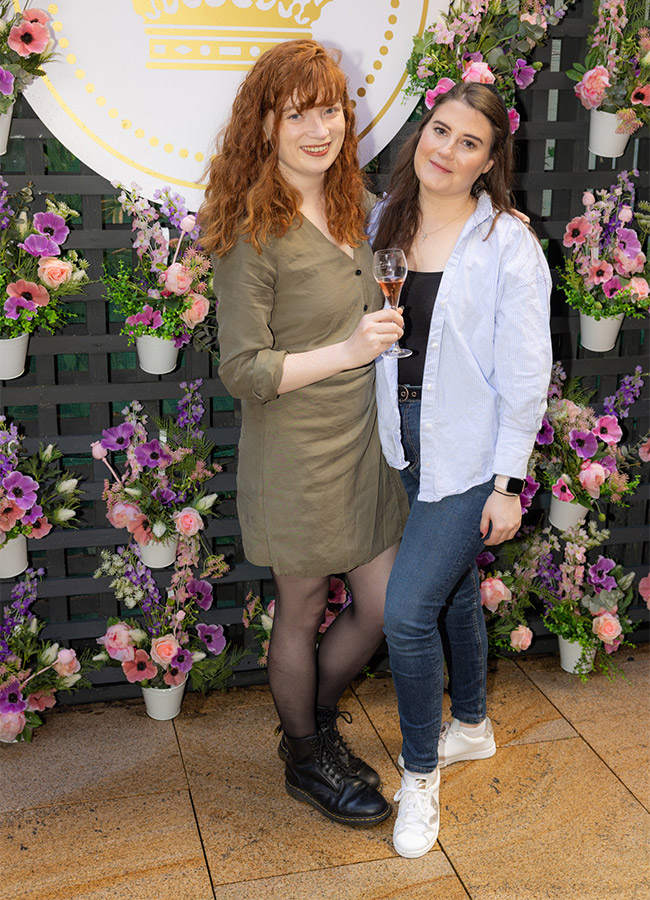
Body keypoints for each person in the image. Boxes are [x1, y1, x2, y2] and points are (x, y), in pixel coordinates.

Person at [200, 39, 409, 827]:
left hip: (367, 441)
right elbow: (246, 370)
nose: (319, 129)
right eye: (298, 114)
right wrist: (352, 349)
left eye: (330, 110)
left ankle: (307, 730)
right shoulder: (252, 233)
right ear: (265, 125)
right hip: (297, 449)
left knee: (384, 606)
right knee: (302, 605)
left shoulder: (351, 202)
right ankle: (309, 750)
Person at [370, 82, 553, 858]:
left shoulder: (507, 240)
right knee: (447, 597)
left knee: (407, 613)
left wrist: (509, 484)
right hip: (403, 435)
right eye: (439, 131)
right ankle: (471, 725)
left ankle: (419, 779)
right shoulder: (388, 218)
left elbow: (527, 369)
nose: (446, 150)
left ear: (489, 161)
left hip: (472, 448)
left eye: (468, 142)